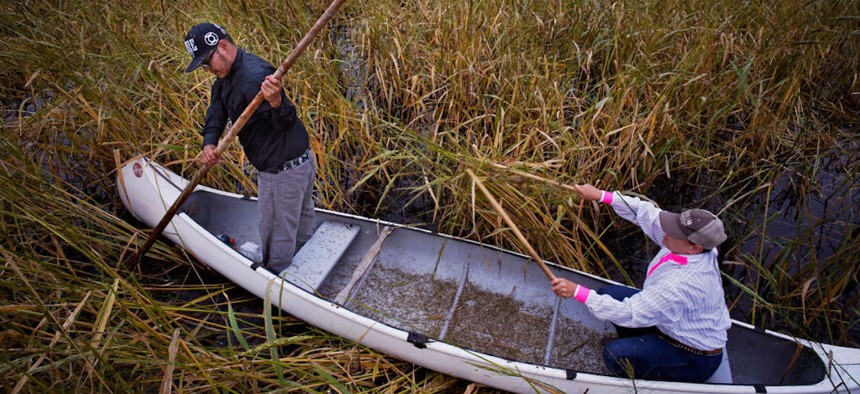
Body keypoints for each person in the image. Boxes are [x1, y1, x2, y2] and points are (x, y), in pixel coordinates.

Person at [551, 184, 730, 383]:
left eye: (674, 233)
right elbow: (649, 214)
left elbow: (629, 313)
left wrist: (577, 291)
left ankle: (646, 378)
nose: (665, 232)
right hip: (671, 325)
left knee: (614, 355)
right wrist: (602, 196)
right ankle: (637, 346)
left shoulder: (679, 285)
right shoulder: (700, 248)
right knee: (606, 294)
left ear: (694, 248)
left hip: (693, 356)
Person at [183, 22, 315, 274]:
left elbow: (286, 122)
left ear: (222, 47)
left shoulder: (254, 76)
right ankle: (302, 260)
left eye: (206, 62)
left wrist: (277, 101)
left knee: (275, 233)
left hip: (283, 172)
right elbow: (217, 110)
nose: (207, 69)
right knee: (300, 220)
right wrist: (210, 142)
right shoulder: (225, 76)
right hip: (300, 163)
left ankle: (277, 279)